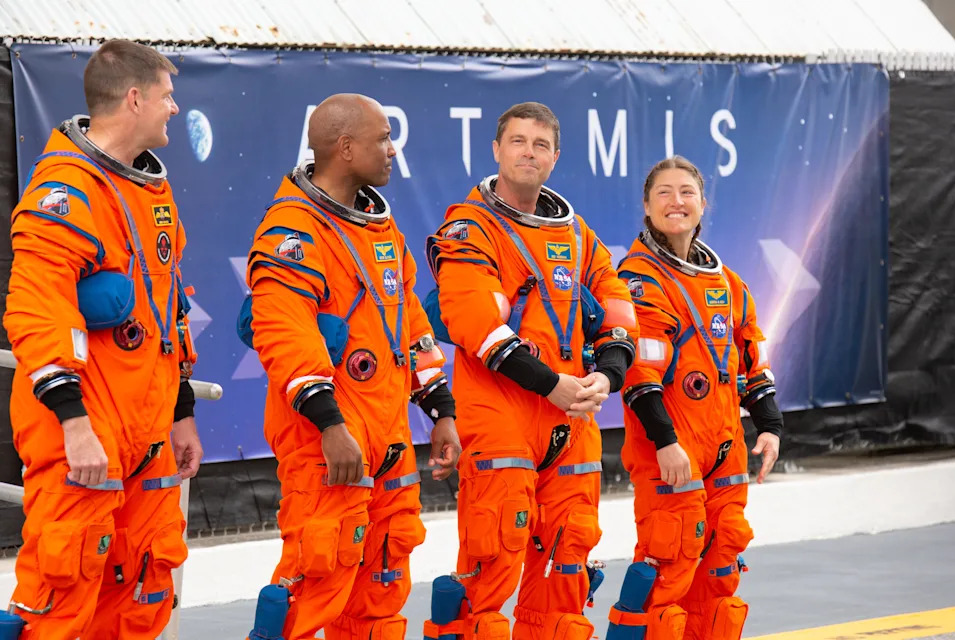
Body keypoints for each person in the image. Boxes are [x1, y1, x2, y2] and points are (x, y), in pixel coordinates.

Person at [2, 39, 202, 639]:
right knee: (62, 598)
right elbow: (37, 308)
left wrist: (181, 410)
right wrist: (73, 420)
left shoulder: (152, 192)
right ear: (134, 98)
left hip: (145, 426)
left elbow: (168, 310)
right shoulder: (64, 190)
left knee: (142, 582)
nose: (174, 109)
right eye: (167, 97)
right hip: (85, 425)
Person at [242, 93, 461, 640]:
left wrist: (441, 411)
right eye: (383, 139)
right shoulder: (292, 231)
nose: (392, 150)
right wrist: (330, 425)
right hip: (328, 444)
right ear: (345, 148)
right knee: (314, 584)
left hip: (386, 441)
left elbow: (412, 331)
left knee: (381, 594)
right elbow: (285, 336)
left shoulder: (382, 230)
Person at [422, 102, 638, 640]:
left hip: (572, 412)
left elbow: (616, 304)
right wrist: (554, 386)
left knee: (569, 561)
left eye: (540, 145)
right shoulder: (469, 229)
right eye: (517, 141)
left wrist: (608, 374)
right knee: (492, 562)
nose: (528, 152)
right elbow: (475, 322)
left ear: (555, 157)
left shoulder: (577, 234)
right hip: (501, 410)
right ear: (496, 150)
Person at [605, 156, 783, 640]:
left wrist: (769, 424)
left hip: (725, 451)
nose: (676, 202)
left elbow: (751, 356)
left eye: (686, 191)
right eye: (663, 192)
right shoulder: (637, 280)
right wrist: (665, 441)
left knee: (721, 572)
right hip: (671, 452)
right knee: (666, 575)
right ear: (646, 205)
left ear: (703, 203)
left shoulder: (727, 281)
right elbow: (641, 375)